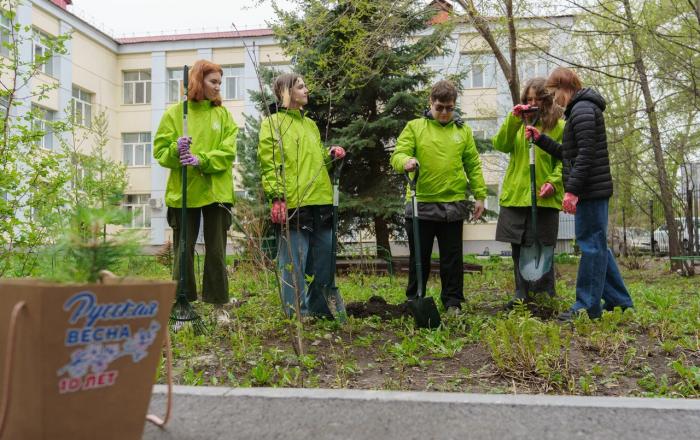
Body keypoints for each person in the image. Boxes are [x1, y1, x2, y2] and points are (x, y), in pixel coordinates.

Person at [525, 67, 634, 320]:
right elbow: (570, 153)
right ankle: (620, 301)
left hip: (590, 191)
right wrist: (541, 139)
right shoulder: (581, 110)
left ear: (565, 88)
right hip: (592, 189)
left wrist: (571, 190)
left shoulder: (583, 109)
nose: (554, 99)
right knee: (597, 246)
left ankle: (586, 306)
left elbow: (585, 155)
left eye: (554, 93)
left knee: (591, 247)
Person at [390, 80, 487, 316]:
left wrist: (480, 196)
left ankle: (452, 302)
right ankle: (416, 299)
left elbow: (473, 164)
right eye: (440, 107)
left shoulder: (462, 131)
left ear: (455, 106)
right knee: (419, 259)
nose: (444, 113)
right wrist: (405, 161)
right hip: (420, 203)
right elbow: (398, 153)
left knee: (452, 259)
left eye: (449, 108)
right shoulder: (415, 127)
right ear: (430, 103)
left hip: (453, 205)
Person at [153, 59, 238, 325]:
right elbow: (160, 152)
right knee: (183, 250)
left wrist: (202, 159)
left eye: (219, 83)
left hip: (215, 192)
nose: (217, 88)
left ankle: (218, 305)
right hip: (184, 192)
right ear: (197, 82)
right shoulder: (176, 114)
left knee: (216, 250)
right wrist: (176, 149)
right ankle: (183, 304)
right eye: (213, 82)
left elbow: (228, 151)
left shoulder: (222, 115)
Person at [257, 73, 346, 318]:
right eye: (301, 86)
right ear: (286, 92)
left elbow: (316, 158)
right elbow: (270, 163)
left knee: (324, 260)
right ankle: (295, 313)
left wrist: (330, 155)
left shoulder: (310, 124)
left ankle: (318, 307)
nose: (307, 90)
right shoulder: (273, 123)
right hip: (294, 202)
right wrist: (277, 197)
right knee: (294, 264)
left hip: (321, 198)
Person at [492, 77, 565, 308]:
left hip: (544, 199)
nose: (532, 103)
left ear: (547, 101)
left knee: (543, 246)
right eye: (528, 99)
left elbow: (565, 161)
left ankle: (545, 295)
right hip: (517, 196)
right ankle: (521, 294)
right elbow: (500, 145)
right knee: (520, 247)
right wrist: (513, 120)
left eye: (537, 99)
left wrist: (553, 183)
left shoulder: (560, 127)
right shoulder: (517, 125)